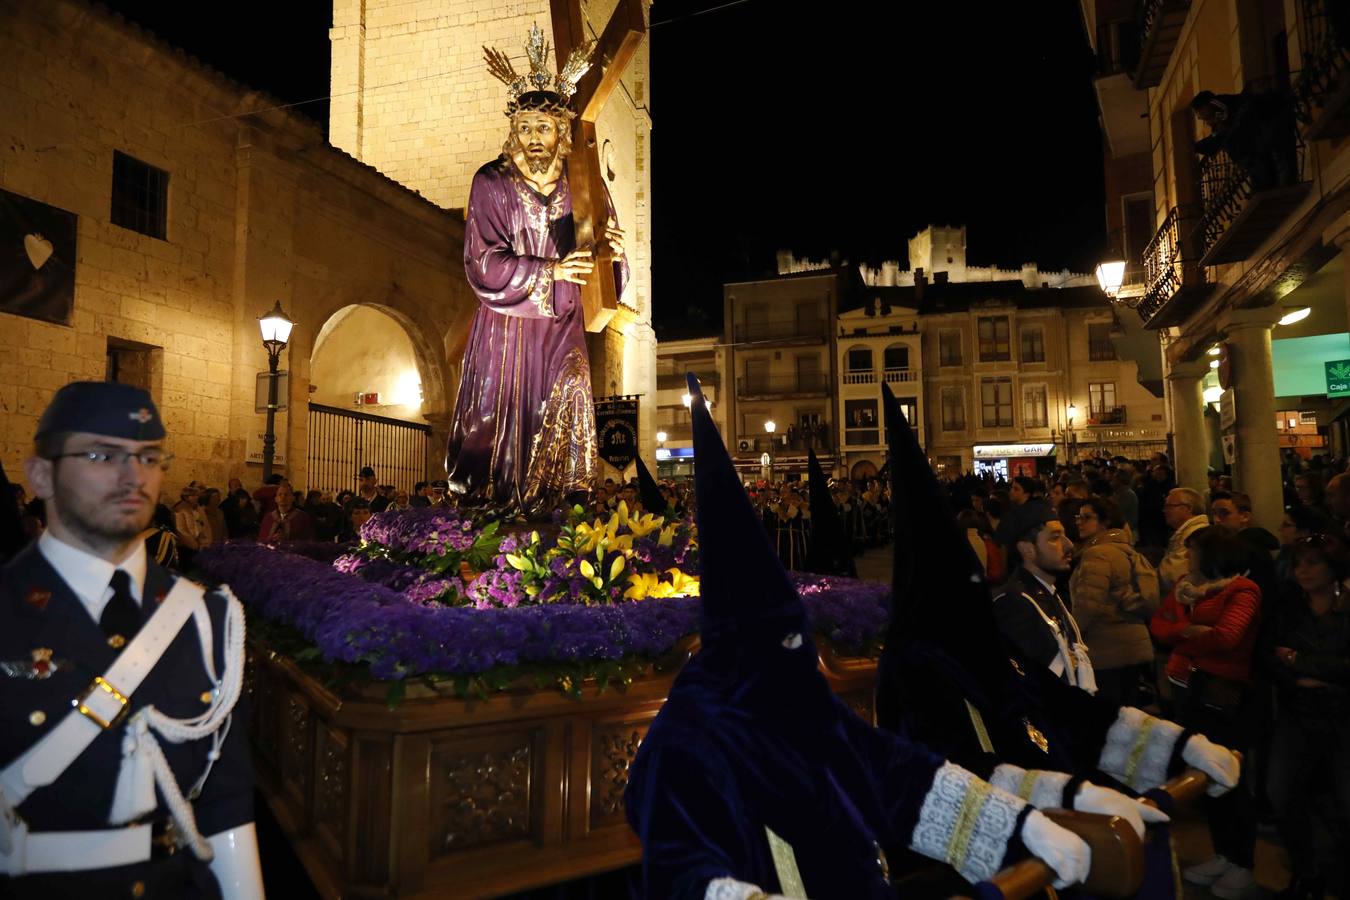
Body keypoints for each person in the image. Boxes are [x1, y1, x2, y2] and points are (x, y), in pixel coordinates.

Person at [624, 375, 1092, 898]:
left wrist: (1021, 827)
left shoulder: (808, 708)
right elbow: (679, 864)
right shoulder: (688, 736)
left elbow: (905, 779)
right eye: (781, 642)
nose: (796, 655)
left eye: (797, 637)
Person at [0, 381, 261, 898]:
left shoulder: (208, 617)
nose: (133, 476)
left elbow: (225, 804)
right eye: (101, 455)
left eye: (148, 456)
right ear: (40, 475)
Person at [444, 25, 626, 517]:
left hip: (562, 322)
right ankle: (501, 501)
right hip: (506, 326)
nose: (533, 138)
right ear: (513, 131)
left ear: (560, 130)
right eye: (525, 127)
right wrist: (550, 271)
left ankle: (564, 502)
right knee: (506, 410)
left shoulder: (582, 183)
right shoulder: (491, 182)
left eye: (543, 127)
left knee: (565, 395)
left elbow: (607, 257)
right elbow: (482, 261)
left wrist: (610, 252)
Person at [1151, 526, 1261, 899]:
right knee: (1206, 773)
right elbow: (1160, 626)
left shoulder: (1242, 591)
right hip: (1189, 688)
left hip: (1221, 693)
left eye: (1193, 552)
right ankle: (1221, 851)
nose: (1188, 559)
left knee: (1230, 775)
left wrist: (1187, 638)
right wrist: (1190, 631)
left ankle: (1242, 860)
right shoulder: (1186, 585)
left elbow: (1229, 638)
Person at [1263, 535, 1350, 900]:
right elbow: (1269, 657)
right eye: (1298, 562)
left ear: (1333, 567)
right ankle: (1306, 872)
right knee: (1280, 794)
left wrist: (1300, 662)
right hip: (1297, 712)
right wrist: (1301, 672)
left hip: (1342, 715)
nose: (1303, 570)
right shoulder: (1287, 608)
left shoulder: (1346, 610)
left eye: (1312, 562)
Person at [1069, 497, 1160, 707]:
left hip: (1107, 649)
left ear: (1105, 522)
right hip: (1134, 646)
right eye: (1078, 517)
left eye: (1086, 517)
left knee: (1108, 716)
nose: (1079, 522)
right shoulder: (1126, 549)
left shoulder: (1098, 553)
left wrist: (1073, 636)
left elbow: (1088, 604)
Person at [994, 516, 1096, 693]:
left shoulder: (1047, 592)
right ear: (1028, 550)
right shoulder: (1015, 603)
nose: (1069, 544)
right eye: (1055, 538)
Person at [1159, 487, 1210, 595]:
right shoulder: (1186, 532)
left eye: (1169, 506)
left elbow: (1172, 574)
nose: (1164, 511)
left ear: (1188, 509)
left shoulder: (1195, 534)